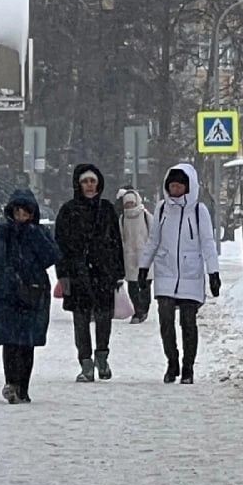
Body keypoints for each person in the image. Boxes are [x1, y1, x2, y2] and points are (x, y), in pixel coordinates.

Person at [0, 189, 62, 403]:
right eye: (18, 210)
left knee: (27, 344)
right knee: (10, 343)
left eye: (26, 211)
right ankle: (11, 383)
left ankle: (23, 387)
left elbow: (53, 256)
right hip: (4, 296)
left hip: (32, 295)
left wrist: (35, 234)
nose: (21, 215)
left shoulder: (39, 234)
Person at [138, 163, 220, 383]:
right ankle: (171, 362)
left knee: (188, 322)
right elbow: (153, 240)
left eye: (179, 186)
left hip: (190, 273)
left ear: (188, 187)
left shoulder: (198, 211)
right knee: (165, 320)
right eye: (172, 186)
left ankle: (188, 367)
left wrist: (213, 272)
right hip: (166, 271)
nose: (175, 190)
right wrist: (144, 268)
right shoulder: (162, 209)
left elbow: (208, 242)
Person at [54, 164, 125, 382]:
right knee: (81, 320)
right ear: (78, 184)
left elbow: (116, 241)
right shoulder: (68, 210)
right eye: (85, 181)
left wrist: (118, 271)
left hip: (104, 272)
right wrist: (63, 273)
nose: (89, 186)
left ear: (99, 183)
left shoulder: (106, 209)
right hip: (77, 274)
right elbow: (60, 245)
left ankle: (102, 358)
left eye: (92, 181)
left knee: (104, 318)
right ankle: (85, 363)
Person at [116, 185, 155, 323]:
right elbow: (121, 238)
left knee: (145, 287)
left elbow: (154, 236)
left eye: (131, 202)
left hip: (145, 258)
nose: (129, 205)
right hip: (129, 258)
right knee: (133, 287)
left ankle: (144, 310)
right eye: (127, 203)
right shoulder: (122, 219)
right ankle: (137, 311)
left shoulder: (146, 216)